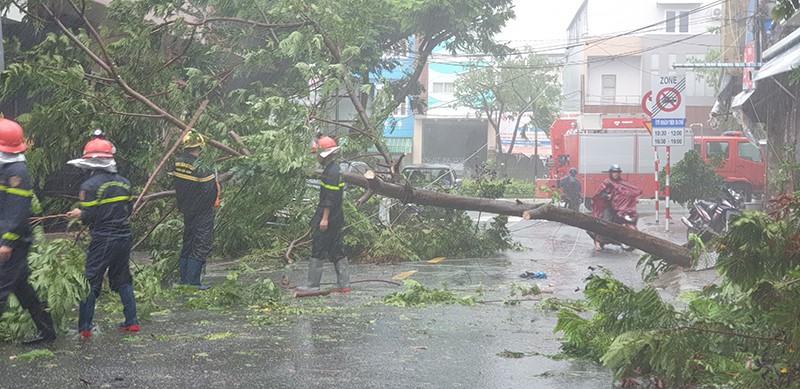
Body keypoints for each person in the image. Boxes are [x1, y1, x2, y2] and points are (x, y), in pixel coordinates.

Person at [66, 136, 139, 339]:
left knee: (90, 281)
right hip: (124, 236)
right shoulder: (125, 183)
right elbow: (128, 210)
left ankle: (85, 328)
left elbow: (89, 216)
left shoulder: (89, 186)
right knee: (123, 277)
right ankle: (132, 322)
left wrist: (78, 214)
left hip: (103, 238)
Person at [0, 118, 56, 345]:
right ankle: (47, 331)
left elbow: (17, 210)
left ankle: (47, 330)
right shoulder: (7, 167)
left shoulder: (17, 172)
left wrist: (7, 242)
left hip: (13, 242)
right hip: (11, 240)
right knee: (22, 288)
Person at [297, 135, 350, 293]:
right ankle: (343, 283)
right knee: (336, 248)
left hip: (329, 216)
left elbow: (329, 197)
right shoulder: (334, 169)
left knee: (318, 246)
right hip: (336, 215)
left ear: (323, 154)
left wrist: (324, 218)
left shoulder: (331, 172)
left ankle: (312, 284)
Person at [172, 131, 218, 289]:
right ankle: (193, 283)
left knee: (188, 242)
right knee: (200, 244)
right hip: (202, 211)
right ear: (200, 146)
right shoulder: (202, 167)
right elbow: (211, 192)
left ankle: (184, 281)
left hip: (186, 209)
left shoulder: (178, 162)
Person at [587, 164, 642, 251]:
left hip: (620, 208)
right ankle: (598, 241)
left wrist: (634, 198)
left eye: (617, 172)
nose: (616, 174)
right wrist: (607, 196)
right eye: (614, 172)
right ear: (611, 173)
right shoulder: (607, 183)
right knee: (606, 222)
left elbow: (629, 192)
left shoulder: (623, 183)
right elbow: (599, 194)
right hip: (609, 207)